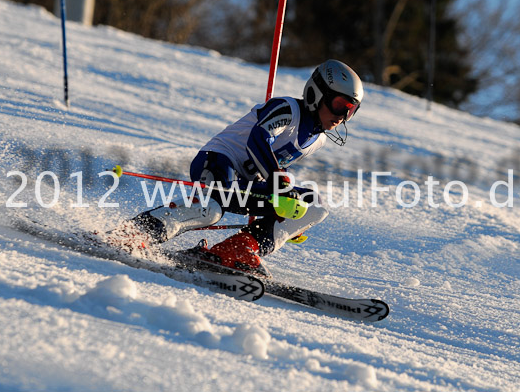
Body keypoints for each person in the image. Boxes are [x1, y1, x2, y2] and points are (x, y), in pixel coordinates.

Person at [126, 59, 363, 277]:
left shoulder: (317, 140)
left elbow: (277, 166)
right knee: (210, 210)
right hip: (216, 161)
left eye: (350, 110)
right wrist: (277, 181)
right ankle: (133, 234)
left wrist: (288, 214)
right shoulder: (287, 109)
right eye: (339, 105)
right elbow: (258, 139)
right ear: (316, 94)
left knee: (314, 207)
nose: (342, 116)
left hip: (246, 184)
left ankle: (235, 251)